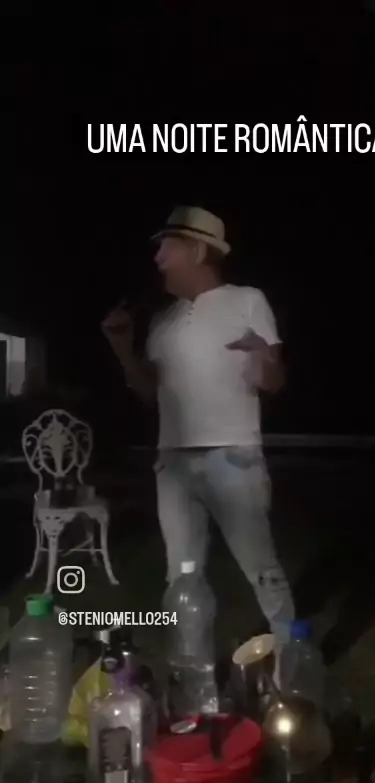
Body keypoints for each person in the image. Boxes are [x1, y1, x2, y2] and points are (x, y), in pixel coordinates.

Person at [101, 205, 295, 653]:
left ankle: (292, 659)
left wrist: (264, 357)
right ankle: (194, 671)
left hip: (233, 456)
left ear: (197, 251)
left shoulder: (248, 300)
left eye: (166, 248)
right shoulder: (163, 321)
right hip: (173, 464)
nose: (157, 259)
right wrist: (122, 348)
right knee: (182, 576)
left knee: (261, 569)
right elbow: (150, 394)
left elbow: (273, 382)